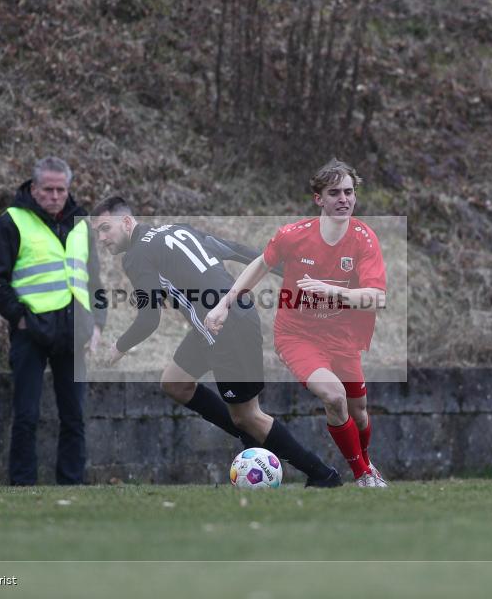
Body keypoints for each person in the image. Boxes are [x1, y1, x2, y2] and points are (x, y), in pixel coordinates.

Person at [90, 196, 341, 487]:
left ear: (127, 221)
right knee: (175, 383)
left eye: (106, 228)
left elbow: (149, 319)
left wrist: (116, 349)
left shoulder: (136, 255)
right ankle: (251, 437)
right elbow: (235, 250)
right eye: (97, 232)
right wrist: (289, 272)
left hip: (226, 329)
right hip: (219, 323)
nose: (102, 238)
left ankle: (322, 474)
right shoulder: (176, 230)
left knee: (249, 416)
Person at [205, 158, 388, 487]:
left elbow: (376, 297)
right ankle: (363, 476)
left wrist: (332, 291)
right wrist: (224, 304)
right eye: (334, 193)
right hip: (297, 336)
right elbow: (259, 266)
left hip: (344, 336)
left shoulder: (364, 238)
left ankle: (366, 463)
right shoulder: (292, 236)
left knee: (359, 412)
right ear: (319, 199)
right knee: (333, 397)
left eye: (349, 192)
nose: (344, 199)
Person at [0, 156, 106, 485]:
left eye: (60, 190)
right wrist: (20, 318)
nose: (54, 196)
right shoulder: (12, 222)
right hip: (31, 333)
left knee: (75, 417)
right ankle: (22, 485)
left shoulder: (82, 224)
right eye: (47, 189)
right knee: (26, 415)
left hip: (74, 332)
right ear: (33, 189)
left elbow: (94, 281)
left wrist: (98, 324)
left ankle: (72, 483)